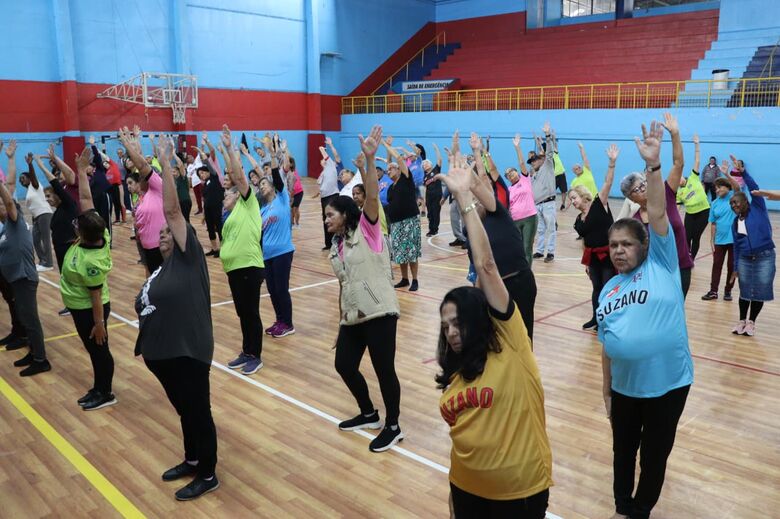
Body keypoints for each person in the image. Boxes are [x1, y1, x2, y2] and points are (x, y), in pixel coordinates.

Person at [435, 150, 552, 519]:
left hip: (518, 494)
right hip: (466, 489)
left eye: (458, 323)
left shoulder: (509, 343)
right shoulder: (456, 366)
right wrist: (454, 495)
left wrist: (464, 196)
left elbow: (486, 267)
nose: (452, 332)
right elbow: (465, 436)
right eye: (446, 326)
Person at [598, 120, 693, 519]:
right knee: (622, 451)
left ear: (644, 245)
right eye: (613, 245)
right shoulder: (607, 290)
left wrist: (653, 165)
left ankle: (640, 509)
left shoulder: (662, 263)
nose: (618, 251)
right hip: (624, 389)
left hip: (668, 385)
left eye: (626, 244)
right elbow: (607, 344)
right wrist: (606, 389)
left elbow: (657, 213)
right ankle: (622, 505)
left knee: (654, 455)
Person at [134, 136, 219, 501]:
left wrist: (165, 164)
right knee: (185, 411)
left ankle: (208, 473)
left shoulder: (190, 258)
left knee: (198, 411)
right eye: (162, 234)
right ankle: (192, 458)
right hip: (164, 355)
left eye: (170, 232)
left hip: (189, 350)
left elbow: (171, 212)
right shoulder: (161, 270)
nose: (164, 234)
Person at [327, 126, 403, 453]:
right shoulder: (336, 246)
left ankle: (393, 426)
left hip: (380, 311)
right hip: (353, 315)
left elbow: (371, 197)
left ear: (346, 215)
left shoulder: (368, 231)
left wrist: (370, 161)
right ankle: (369, 413)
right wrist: (340, 321)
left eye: (330, 214)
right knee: (344, 363)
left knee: (384, 370)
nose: (326, 219)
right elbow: (343, 285)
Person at [61, 146, 115, 408]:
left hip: (90, 310)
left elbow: (96, 295)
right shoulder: (97, 232)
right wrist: (81, 171)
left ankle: (105, 393)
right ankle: (98, 387)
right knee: (94, 351)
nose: (75, 223)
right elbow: (85, 199)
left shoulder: (91, 262)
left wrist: (99, 323)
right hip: (80, 307)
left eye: (77, 225)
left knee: (99, 350)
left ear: (82, 234)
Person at [620, 113, 693, 298]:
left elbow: (678, 164)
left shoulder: (667, 193)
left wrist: (675, 134)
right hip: (654, 274)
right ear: (631, 199)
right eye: (637, 190)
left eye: (643, 184)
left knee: (677, 308)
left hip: (681, 267)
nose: (643, 188)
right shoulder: (636, 221)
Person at [0, 141, 50, 376]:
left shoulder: (15, 221)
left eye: (2, 205)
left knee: (31, 319)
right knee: (24, 317)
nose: (1, 206)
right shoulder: (5, 228)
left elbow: (9, 199)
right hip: (15, 279)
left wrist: (2, 184)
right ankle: (32, 351)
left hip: (25, 278)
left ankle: (41, 359)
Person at [219, 125, 265, 376]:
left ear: (238, 196)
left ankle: (255, 356)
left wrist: (229, 149)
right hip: (234, 269)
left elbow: (238, 177)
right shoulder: (229, 217)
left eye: (227, 195)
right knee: (242, 313)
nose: (224, 198)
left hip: (250, 266)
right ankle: (247, 351)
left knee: (251, 312)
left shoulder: (248, 204)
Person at [571, 144, 619, 331]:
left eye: (574, 198)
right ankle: (596, 318)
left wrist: (612, 163)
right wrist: (587, 262)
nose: (572, 202)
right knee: (596, 288)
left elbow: (608, 183)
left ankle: (608, 320)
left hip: (607, 256)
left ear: (583, 196)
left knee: (608, 288)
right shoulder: (578, 219)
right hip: (592, 258)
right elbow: (585, 240)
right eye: (571, 199)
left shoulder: (600, 204)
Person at [727, 162, 775, 337]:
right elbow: (736, 247)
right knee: (745, 291)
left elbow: (754, 188)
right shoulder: (735, 222)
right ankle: (741, 321)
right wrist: (735, 268)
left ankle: (751, 322)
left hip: (765, 256)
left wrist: (744, 173)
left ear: (745, 201)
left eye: (736, 202)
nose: (734, 205)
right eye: (731, 204)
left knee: (759, 291)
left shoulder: (758, 207)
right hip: (745, 259)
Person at [257, 140, 296, 339]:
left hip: (283, 251)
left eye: (264, 184)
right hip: (267, 255)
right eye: (260, 185)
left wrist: (272, 154)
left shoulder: (282, 198)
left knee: (281, 289)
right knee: (272, 290)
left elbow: (276, 175)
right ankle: (279, 320)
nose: (261, 186)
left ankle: (288, 324)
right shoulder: (263, 210)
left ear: (273, 187)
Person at [37, 147, 79, 317]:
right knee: (65, 279)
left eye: (49, 196)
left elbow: (55, 182)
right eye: (45, 197)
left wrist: (41, 165)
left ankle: (78, 305)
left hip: (70, 250)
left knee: (73, 279)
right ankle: (71, 305)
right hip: (61, 250)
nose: (47, 200)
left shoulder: (69, 205)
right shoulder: (59, 211)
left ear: (58, 195)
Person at [119, 127, 165, 274]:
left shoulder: (157, 188)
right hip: (146, 244)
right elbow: (138, 168)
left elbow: (142, 165)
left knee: (160, 277)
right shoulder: (142, 196)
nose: (141, 178)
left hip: (159, 246)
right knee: (151, 275)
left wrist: (128, 145)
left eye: (143, 177)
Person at [384, 137, 422, 291]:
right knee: (400, 252)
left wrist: (386, 145)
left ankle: (415, 280)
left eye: (391, 169)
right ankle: (405, 279)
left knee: (411, 252)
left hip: (409, 220)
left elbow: (398, 159)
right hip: (396, 223)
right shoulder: (391, 187)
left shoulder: (406, 178)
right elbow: (390, 163)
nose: (388, 171)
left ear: (399, 169)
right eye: (387, 170)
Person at [701, 175, 739, 301]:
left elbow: (737, 187)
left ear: (727, 187)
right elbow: (713, 223)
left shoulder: (733, 197)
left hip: (734, 240)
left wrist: (727, 174)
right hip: (719, 240)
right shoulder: (714, 203)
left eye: (719, 187)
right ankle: (713, 291)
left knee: (731, 266)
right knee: (716, 265)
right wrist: (712, 240)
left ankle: (728, 291)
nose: (717, 190)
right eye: (716, 188)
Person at [675, 134, 710, 259]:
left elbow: (697, 161)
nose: (677, 180)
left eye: (678, 177)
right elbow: (677, 208)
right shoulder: (679, 192)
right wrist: (673, 220)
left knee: (696, 237)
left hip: (703, 212)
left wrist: (697, 144)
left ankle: (692, 258)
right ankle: (686, 256)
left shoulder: (693, 177)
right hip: (690, 214)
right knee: (686, 236)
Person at [18, 152, 54, 271]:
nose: (21, 181)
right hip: (37, 217)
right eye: (20, 180)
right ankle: (43, 261)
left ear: (29, 178)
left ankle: (48, 264)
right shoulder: (29, 190)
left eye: (23, 178)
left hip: (44, 214)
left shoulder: (35, 185)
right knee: (35, 239)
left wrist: (30, 164)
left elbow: (33, 176)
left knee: (45, 239)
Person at [508, 134, 539, 264]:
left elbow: (521, 162)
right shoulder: (509, 190)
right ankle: (519, 268)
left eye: (512, 172)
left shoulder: (525, 179)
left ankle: (527, 271)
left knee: (527, 247)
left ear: (517, 172)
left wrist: (517, 147)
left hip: (529, 218)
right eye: (508, 175)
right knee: (517, 247)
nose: (511, 175)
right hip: (515, 221)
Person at [530, 123, 558, 262]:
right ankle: (540, 251)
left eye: (534, 161)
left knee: (550, 229)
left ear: (541, 160)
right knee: (540, 229)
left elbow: (550, 152)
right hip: (537, 205)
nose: (532, 163)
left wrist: (547, 135)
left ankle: (550, 252)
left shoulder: (547, 166)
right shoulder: (533, 174)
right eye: (531, 162)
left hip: (548, 203)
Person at [313, 143, 340, 250]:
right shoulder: (323, 173)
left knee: (333, 218)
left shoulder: (331, 166)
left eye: (324, 159)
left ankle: (336, 242)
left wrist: (322, 149)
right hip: (324, 198)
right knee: (326, 220)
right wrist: (317, 193)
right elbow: (320, 185)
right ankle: (328, 244)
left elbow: (328, 156)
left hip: (332, 196)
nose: (323, 160)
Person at [197, 162, 225, 257]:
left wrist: (205, 160)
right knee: (210, 229)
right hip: (208, 210)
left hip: (217, 209)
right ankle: (215, 249)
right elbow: (205, 200)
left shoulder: (214, 178)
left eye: (202, 172)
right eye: (200, 174)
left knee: (220, 228)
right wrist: (204, 215)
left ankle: (223, 249)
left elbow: (211, 168)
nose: (201, 175)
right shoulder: (205, 185)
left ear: (208, 171)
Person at [423, 145, 443, 237]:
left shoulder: (436, 170)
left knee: (435, 213)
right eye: (424, 165)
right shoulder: (425, 176)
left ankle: (434, 230)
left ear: (431, 164)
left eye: (427, 163)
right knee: (430, 214)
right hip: (429, 197)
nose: (425, 165)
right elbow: (425, 188)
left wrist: (436, 149)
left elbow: (439, 160)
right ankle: (431, 229)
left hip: (437, 196)